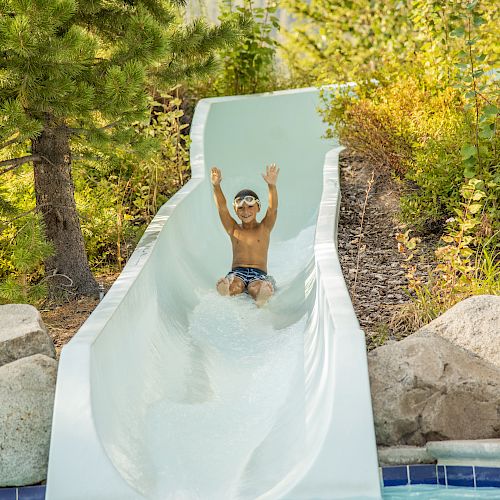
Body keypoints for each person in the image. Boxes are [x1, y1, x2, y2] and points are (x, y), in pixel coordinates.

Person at [211, 163, 279, 306]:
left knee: (256, 287)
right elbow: (222, 208)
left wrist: (271, 186)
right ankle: (227, 290)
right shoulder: (233, 228)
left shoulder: (264, 228)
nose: (245, 211)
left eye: (250, 207)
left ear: (258, 208)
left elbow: (272, 209)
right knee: (236, 285)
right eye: (240, 208)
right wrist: (216, 186)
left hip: (258, 274)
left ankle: (261, 296)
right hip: (238, 272)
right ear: (236, 211)